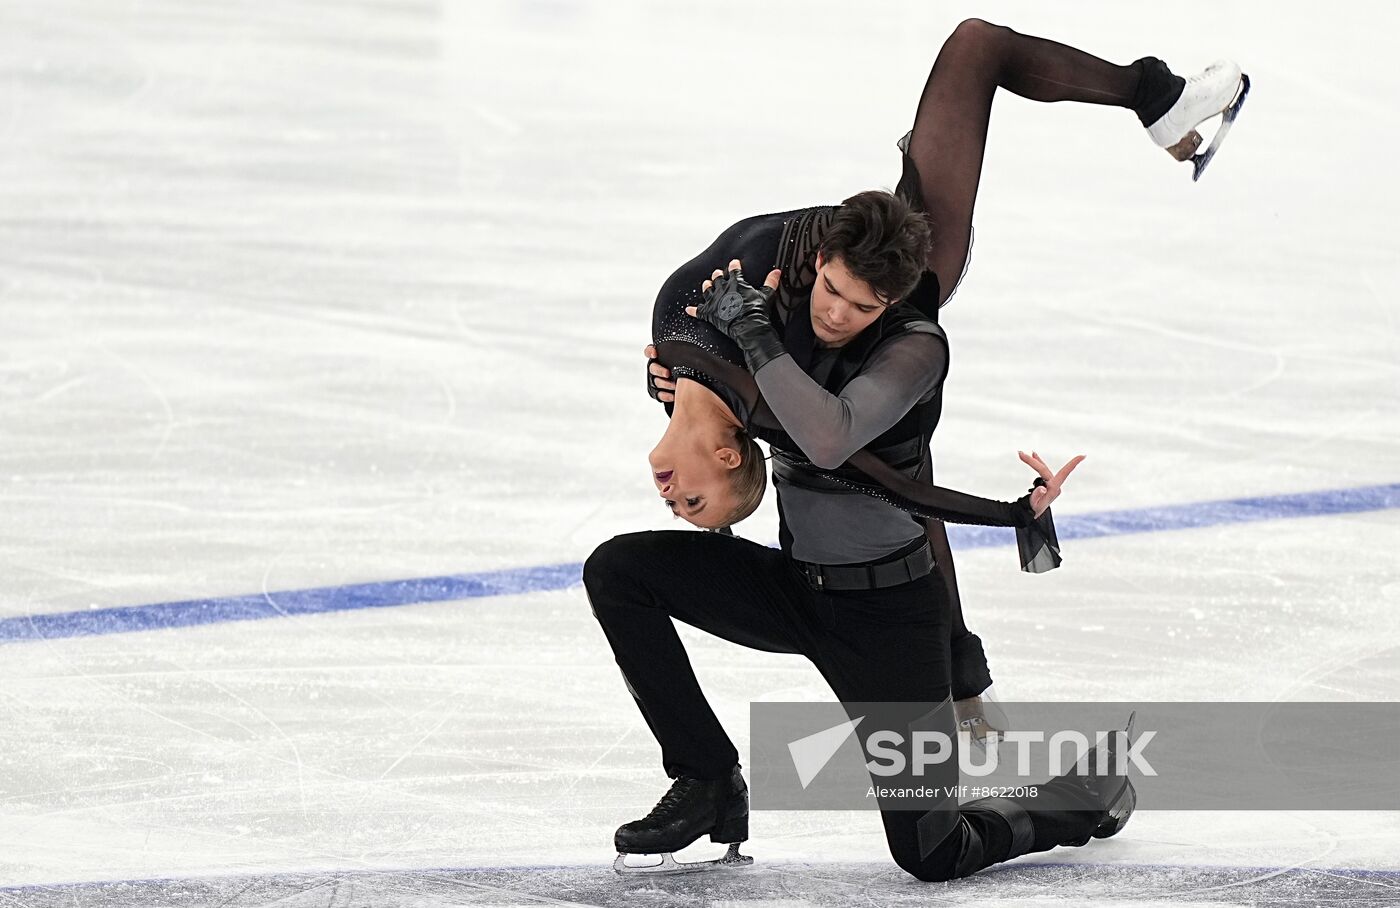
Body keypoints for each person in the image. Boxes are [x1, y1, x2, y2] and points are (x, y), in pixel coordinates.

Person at [587, 20, 1246, 880]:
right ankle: (708, 780)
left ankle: (1082, 796)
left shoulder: (911, 340)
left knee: (930, 854)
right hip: (800, 588)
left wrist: (959, 650)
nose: (673, 496)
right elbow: (788, 415)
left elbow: (878, 468)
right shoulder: (711, 343)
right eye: (695, 502)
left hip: (887, 621)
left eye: (693, 502)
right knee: (618, 570)